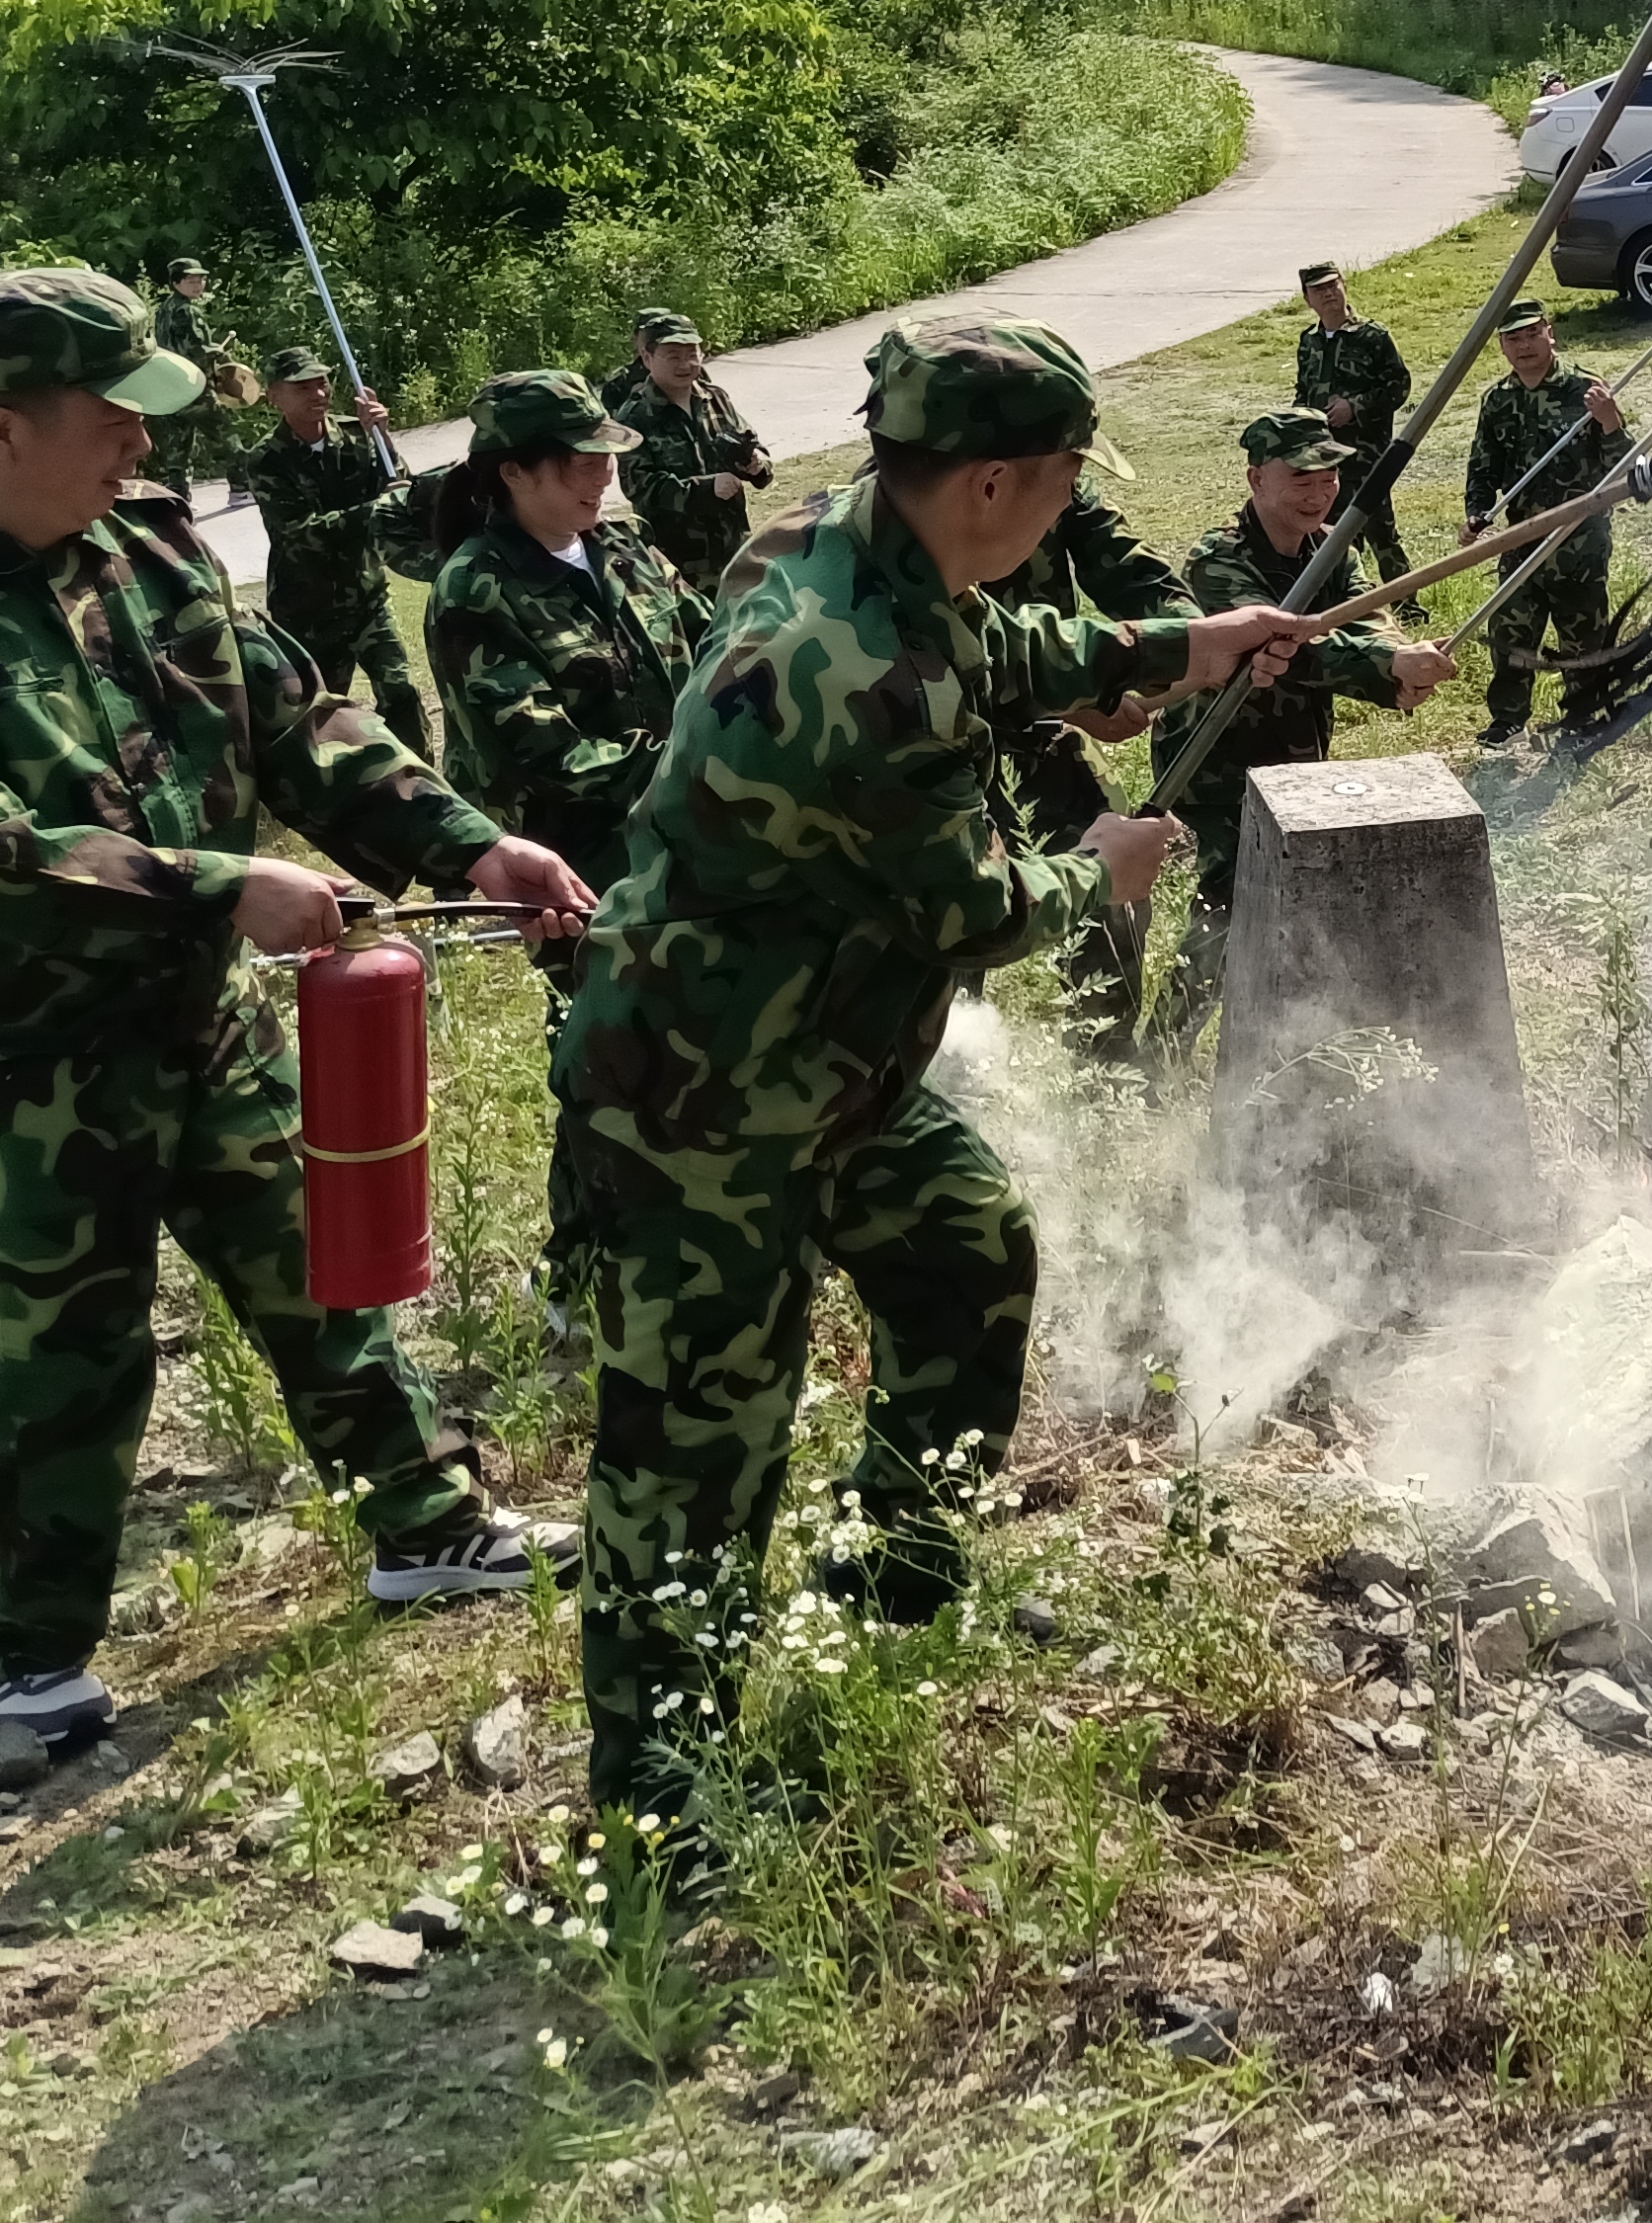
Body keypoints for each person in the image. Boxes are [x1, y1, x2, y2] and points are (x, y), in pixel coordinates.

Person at [0, 269, 599, 1756]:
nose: (142, 452)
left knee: (322, 1270)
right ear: (1, 427)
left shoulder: (149, 552)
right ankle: (32, 1660)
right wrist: (217, 884)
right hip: (35, 1060)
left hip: (202, 1023)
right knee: (70, 1354)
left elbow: (302, 724)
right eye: (114, 422)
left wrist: (467, 845)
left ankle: (425, 1523)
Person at [547, 318, 1316, 1817]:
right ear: (988, 483)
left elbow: (998, 644)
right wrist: (1103, 871)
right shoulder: (858, 673)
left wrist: (1170, 645)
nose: (1063, 508)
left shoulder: (844, 545)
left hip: (828, 1065)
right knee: (694, 1465)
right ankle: (663, 1804)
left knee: (967, 1252)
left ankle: (889, 1585)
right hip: (703, 1104)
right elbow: (972, 909)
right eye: (1062, 483)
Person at [423, 370, 709, 972]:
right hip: (578, 872)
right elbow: (546, 756)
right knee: (610, 1042)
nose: (606, 474)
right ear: (515, 472)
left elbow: (716, 641)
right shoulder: (476, 590)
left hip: (687, 832)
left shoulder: (624, 544)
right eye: (582, 460)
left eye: (606, 455)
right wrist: (706, 760)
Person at [971, 376, 1194, 1056]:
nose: (1072, 489)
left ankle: (1104, 1068)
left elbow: (1143, 580)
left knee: (1113, 879)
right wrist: (1074, 697)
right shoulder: (891, 527)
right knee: (959, 920)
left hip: (1043, 734)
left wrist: (1195, 646)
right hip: (938, 746)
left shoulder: (1059, 489)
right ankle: (943, 1085)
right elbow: (946, 659)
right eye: (1065, 469)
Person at [1167, 411, 1456, 934]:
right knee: (1233, 909)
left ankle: (1283, 1016)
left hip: (1297, 751)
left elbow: (1368, 619)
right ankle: (1178, 1016)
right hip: (1218, 761)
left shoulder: (1331, 547)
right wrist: (1388, 664)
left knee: (1297, 903)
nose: (1319, 494)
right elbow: (1280, 647)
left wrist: (1401, 667)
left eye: (1330, 478)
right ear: (1257, 478)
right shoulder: (1217, 559)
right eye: (1302, 478)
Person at [245, 348, 434, 758]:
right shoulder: (266, 459)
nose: (318, 392)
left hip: (366, 595)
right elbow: (298, 532)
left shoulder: (355, 436)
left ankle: (423, 787)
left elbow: (398, 491)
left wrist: (382, 438)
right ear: (274, 395)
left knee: (400, 691)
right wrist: (375, 511)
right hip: (309, 607)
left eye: (323, 381)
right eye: (302, 386)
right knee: (322, 712)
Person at [1460, 300, 1624, 747]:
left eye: (1533, 334)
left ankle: (1583, 717)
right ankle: (1508, 721)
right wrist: (1477, 512)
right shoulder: (1497, 400)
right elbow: (1484, 466)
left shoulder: (1586, 390)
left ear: (1550, 333)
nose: (1525, 346)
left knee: (1582, 638)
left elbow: (1624, 465)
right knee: (1512, 633)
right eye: (1514, 339)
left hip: (1579, 541)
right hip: (1521, 540)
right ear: (1502, 346)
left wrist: (1610, 421)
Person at [604, 309, 775, 594]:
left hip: (733, 548)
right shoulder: (634, 417)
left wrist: (757, 464)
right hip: (677, 563)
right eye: (673, 356)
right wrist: (705, 490)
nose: (685, 364)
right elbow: (640, 486)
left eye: (692, 354)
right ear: (647, 358)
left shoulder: (715, 399)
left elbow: (751, 444)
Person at [1289, 262, 1414, 585]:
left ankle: (1404, 603)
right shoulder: (1309, 342)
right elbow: (1304, 390)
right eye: (1319, 289)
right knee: (1330, 536)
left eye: (1333, 285)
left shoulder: (1373, 336)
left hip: (1367, 455)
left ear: (1344, 286)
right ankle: (1343, 602)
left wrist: (1355, 407)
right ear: (1307, 299)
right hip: (1324, 458)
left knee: (1381, 532)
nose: (1329, 293)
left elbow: (1398, 386)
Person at [150, 258, 245, 503]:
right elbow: (197, 351)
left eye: (201, 279)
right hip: (193, 384)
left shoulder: (164, 309)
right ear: (175, 282)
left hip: (169, 386)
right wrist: (219, 353)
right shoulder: (188, 311)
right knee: (225, 435)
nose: (198, 284)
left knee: (177, 445)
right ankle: (241, 488)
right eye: (190, 280)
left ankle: (178, 498)